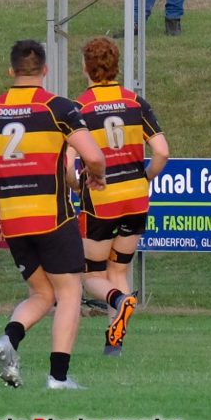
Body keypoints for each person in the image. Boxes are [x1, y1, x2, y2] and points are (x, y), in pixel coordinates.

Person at [0, 39, 107, 390]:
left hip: (12, 217)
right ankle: (58, 377)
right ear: (44, 70)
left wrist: (4, 188)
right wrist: (97, 176)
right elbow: (94, 156)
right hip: (52, 216)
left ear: (11, 71)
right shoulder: (58, 107)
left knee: (42, 293)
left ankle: (9, 339)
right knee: (70, 291)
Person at [68, 36, 169, 355]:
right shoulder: (135, 102)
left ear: (85, 67)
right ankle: (115, 343)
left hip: (101, 200)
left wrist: (76, 186)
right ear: (115, 66)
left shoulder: (79, 107)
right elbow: (162, 152)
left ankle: (118, 300)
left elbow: (68, 164)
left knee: (92, 275)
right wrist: (144, 178)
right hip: (137, 198)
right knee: (119, 270)